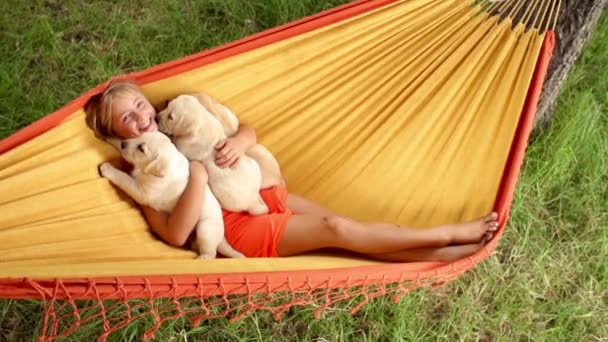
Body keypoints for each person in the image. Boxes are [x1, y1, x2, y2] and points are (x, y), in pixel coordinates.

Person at [84, 79, 499, 262]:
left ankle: (440, 255)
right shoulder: (141, 167)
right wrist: (198, 178)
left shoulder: (177, 116)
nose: (140, 119)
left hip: (262, 194)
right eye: (127, 120)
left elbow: (243, 128)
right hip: (236, 227)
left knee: (351, 232)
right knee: (338, 231)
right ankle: (448, 234)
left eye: (139, 105)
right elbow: (174, 235)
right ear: (116, 136)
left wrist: (242, 143)